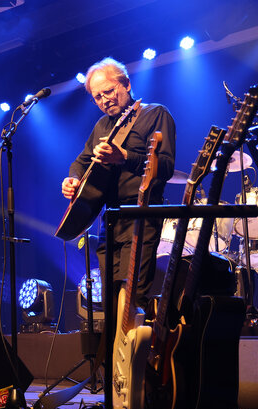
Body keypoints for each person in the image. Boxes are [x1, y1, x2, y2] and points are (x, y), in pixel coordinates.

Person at [61, 58, 175, 309]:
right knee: (109, 302)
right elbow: (82, 161)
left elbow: (165, 167)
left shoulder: (155, 114)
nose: (104, 100)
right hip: (110, 220)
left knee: (131, 299)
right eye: (97, 97)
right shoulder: (102, 125)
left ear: (126, 84)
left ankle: (135, 347)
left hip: (142, 215)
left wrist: (123, 157)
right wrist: (73, 179)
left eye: (109, 92)